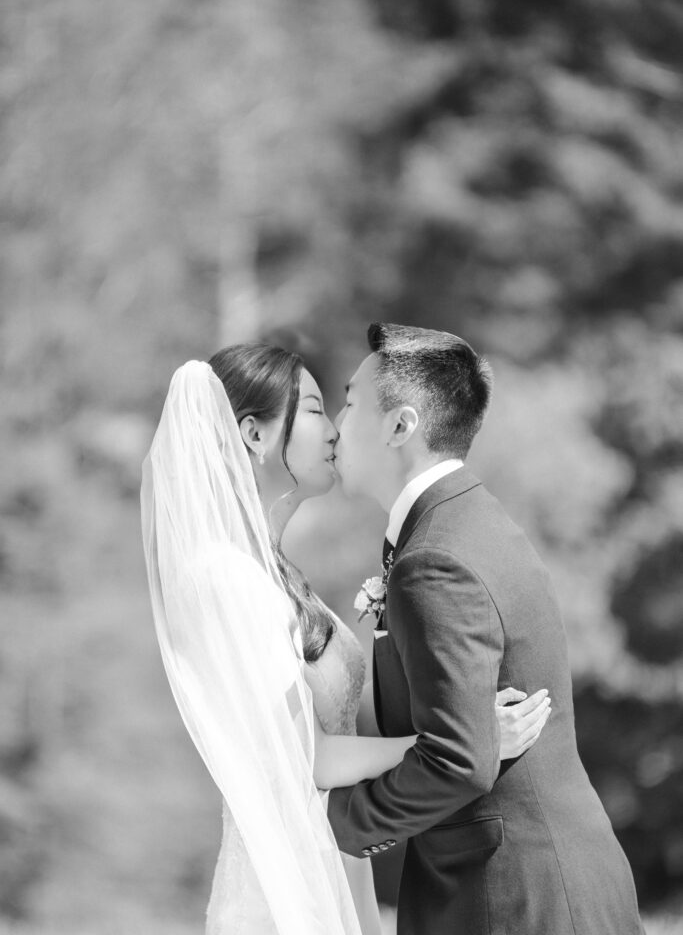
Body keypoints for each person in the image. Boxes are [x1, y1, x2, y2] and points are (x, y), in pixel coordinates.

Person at [141, 345, 550, 935]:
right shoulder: (223, 578)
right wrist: (463, 739)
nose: (334, 428)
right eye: (313, 410)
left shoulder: (270, 574)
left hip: (328, 856)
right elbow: (308, 756)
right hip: (283, 879)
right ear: (254, 435)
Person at [327, 322, 644, 935]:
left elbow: (457, 760)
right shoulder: (462, 523)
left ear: (401, 426)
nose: (339, 425)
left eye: (350, 402)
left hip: (515, 898)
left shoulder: (435, 558)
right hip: (533, 884)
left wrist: (333, 825)